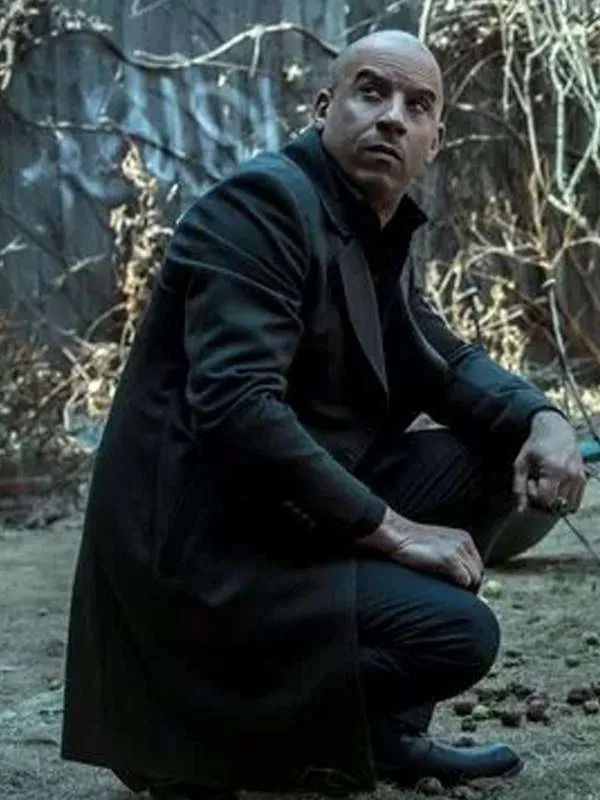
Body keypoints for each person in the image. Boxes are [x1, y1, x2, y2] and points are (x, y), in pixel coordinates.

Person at [61, 29, 586, 800]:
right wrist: (394, 530)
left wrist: (545, 419)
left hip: (274, 517)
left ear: (436, 139)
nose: (392, 117)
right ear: (322, 107)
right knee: (457, 634)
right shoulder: (262, 207)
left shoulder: (371, 223)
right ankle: (202, 736)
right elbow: (238, 408)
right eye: (371, 92)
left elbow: (441, 360)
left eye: (417, 106)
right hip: (202, 553)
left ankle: (385, 739)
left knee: (487, 454)